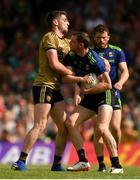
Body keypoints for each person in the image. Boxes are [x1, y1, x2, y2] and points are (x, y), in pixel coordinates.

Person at [11, 10, 74, 171]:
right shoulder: (49, 38)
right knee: (40, 124)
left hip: (56, 88)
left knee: (64, 127)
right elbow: (54, 64)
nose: (68, 22)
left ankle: (57, 164)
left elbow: (84, 52)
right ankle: (21, 161)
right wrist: (72, 73)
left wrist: (101, 59)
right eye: (65, 20)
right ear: (55, 22)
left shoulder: (67, 42)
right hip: (44, 85)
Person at [92, 24, 129, 172]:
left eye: (104, 37)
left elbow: (125, 71)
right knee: (99, 129)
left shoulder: (117, 51)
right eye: (98, 37)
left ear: (108, 37)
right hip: (96, 93)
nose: (101, 40)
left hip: (114, 93)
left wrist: (120, 82)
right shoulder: (90, 52)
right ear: (94, 37)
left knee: (115, 128)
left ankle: (115, 151)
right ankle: (101, 163)